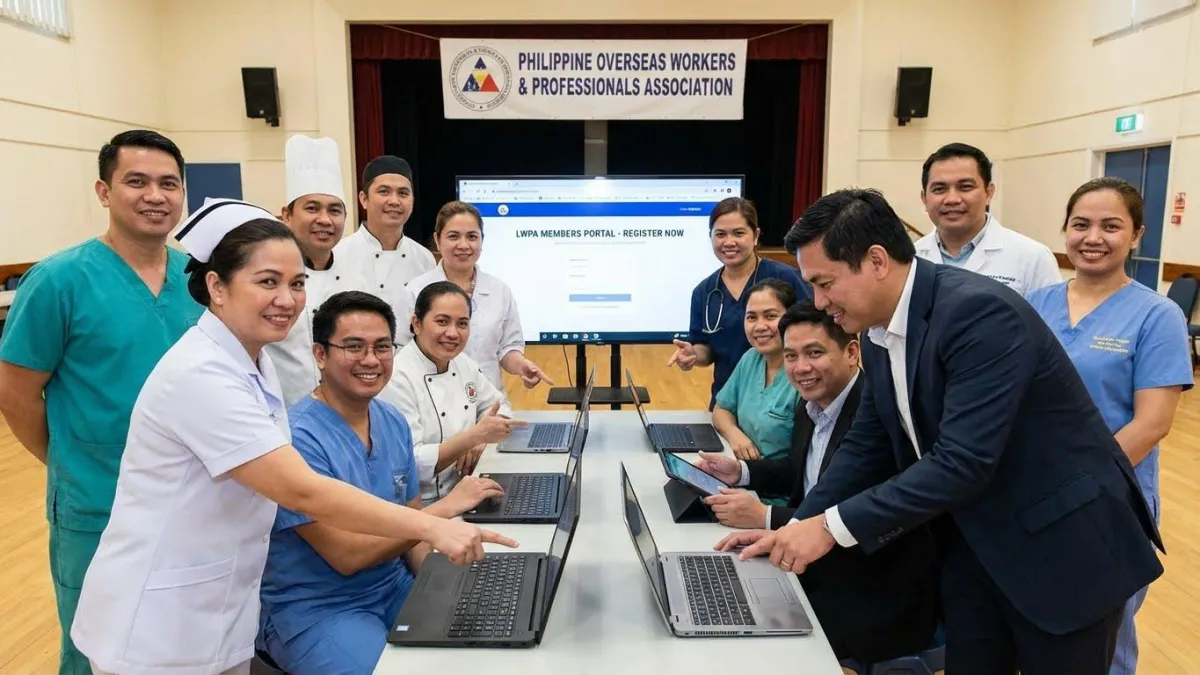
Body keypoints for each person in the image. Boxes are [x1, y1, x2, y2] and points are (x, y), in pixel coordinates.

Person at [722, 188, 1164, 674]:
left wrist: (829, 529)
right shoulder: (875, 330)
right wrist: (797, 526)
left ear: (875, 261)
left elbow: (962, 461)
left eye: (825, 284)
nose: (820, 303)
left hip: (1062, 553)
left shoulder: (977, 313)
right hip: (977, 548)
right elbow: (865, 446)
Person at [69, 200, 514, 675]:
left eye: (297, 283)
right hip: (159, 623)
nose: (287, 299)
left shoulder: (254, 366)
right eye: (267, 282)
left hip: (224, 605)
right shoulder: (200, 373)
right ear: (217, 287)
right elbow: (300, 489)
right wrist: (434, 521)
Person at [0, 130, 202, 675]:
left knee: (179, 641)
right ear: (104, 191)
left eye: (168, 184)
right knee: (97, 647)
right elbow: (16, 394)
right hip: (97, 504)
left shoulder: (198, 280)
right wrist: (73, 460)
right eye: (136, 181)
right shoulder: (59, 281)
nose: (155, 195)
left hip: (190, 501)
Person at [258, 290, 505, 675]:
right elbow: (346, 556)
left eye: (382, 347)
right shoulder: (297, 438)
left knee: (489, 640)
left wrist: (451, 587)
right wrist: (445, 511)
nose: (371, 360)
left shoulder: (390, 421)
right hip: (321, 607)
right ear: (320, 355)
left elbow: (413, 532)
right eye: (353, 347)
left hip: (392, 584)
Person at [701, 300, 939, 664]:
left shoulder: (875, 416)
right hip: (817, 565)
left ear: (852, 352)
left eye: (814, 353)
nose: (800, 368)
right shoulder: (811, 403)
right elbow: (807, 476)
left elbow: (850, 517)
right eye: (791, 356)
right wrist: (744, 473)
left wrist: (767, 518)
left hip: (870, 589)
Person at [1026, 177, 1193, 675]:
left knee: (1104, 636)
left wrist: (1074, 486)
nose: (1092, 237)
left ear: (1137, 235)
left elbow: (1152, 424)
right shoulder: (1037, 303)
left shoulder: (1157, 315)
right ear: (1064, 231)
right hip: (1034, 493)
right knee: (1045, 624)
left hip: (1112, 496)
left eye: (1111, 226)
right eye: (1081, 224)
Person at [380, 281, 527, 505]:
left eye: (462, 324)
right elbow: (411, 465)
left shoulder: (461, 362)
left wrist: (481, 442)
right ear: (416, 324)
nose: (453, 333)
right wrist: (472, 438)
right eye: (442, 322)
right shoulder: (398, 377)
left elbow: (499, 406)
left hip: (468, 487)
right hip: (424, 506)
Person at [668, 197, 812, 408]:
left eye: (739, 233)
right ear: (711, 238)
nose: (729, 242)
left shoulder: (786, 279)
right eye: (720, 234)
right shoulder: (704, 292)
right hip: (728, 402)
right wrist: (693, 355)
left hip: (783, 402)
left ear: (755, 236)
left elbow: (815, 329)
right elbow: (705, 348)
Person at [396, 200, 552, 391]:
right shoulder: (416, 291)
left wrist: (522, 366)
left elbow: (507, 348)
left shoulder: (499, 290)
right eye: (453, 236)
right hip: (434, 400)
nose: (464, 245)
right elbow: (403, 351)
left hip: (489, 400)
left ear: (481, 240)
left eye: (472, 236)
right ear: (437, 240)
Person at [266, 135, 368, 406]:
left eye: (335, 210)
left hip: (344, 416)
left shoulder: (357, 282)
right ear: (287, 214)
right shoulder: (264, 280)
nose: (325, 219)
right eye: (312, 208)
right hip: (279, 419)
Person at [913, 143, 1060, 296]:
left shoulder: (1033, 258)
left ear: (989, 193)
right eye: (939, 189)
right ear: (924, 198)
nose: (952, 199)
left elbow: (1049, 318)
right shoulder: (911, 258)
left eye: (965, 187)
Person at [711, 279, 800, 473]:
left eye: (770, 316)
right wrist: (735, 435)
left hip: (775, 490)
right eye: (751, 317)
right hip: (738, 473)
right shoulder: (751, 359)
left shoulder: (803, 373)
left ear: (790, 318)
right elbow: (721, 409)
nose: (759, 326)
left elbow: (803, 465)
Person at [334, 155, 436, 320]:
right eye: (384, 192)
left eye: (403, 193)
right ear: (364, 199)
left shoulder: (424, 259)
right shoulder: (338, 255)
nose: (394, 201)